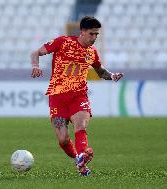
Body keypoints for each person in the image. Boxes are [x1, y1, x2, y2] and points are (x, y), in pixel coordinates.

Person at [30, 16, 124, 176]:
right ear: (82, 31)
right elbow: (36, 52)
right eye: (91, 34)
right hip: (57, 97)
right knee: (63, 139)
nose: (94, 38)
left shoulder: (92, 53)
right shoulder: (63, 42)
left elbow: (100, 71)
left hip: (78, 96)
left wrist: (111, 75)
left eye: (96, 35)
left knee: (80, 125)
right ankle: (78, 159)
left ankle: (82, 156)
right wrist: (35, 66)